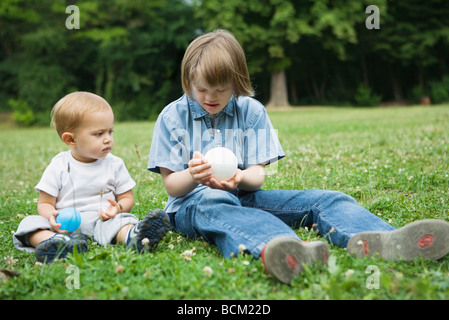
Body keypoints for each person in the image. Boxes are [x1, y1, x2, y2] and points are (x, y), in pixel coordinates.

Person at [148, 29, 449, 284]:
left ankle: (388, 239)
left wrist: (240, 177)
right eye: (201, 89)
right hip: (192, 205)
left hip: (244, 196)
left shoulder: (251, 111)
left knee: (324, 199)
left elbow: (257, 176)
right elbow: (172, 186)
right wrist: (193, 176)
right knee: (216, 202)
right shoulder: (173, 117)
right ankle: (289, 249)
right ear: (188, 80)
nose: (210, 98)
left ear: (237, 82)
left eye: (221, 89)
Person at [13, 92, 170, 263]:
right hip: (62, 228)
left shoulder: (114, 164)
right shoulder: (58, 165)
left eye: (110, 132)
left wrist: (117, 208)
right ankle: (56, 243)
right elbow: (45, 203)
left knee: (122, 222)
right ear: (71, 139)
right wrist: (51, 215)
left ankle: (135, 237)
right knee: (29, 224)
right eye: (99, 134)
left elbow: (126, 197)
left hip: (101, 221)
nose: (108, 139)